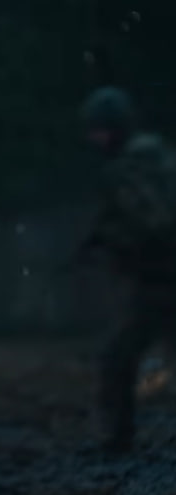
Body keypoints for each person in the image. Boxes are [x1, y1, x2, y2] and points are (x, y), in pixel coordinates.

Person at [77, 86, 176, 451]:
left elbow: (153, 224)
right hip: (156, 276)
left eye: (100, 130)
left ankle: (117, 439)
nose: (94, 139)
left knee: (117, 359)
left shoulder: (127, 169)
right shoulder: (163, 158)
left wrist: (112, 239)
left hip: (157, 279)